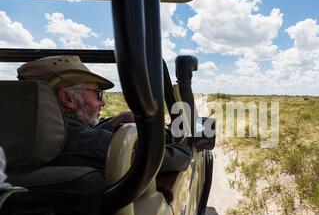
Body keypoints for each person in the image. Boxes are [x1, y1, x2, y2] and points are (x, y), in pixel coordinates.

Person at [17, 55, 192, 173]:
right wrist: (184, 146)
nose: (102, 102)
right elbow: (171, 160)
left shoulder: (21, 136)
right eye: (96, 93)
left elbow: (81, 134)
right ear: (67, 99)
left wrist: (117, 120)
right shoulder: (87, 143)